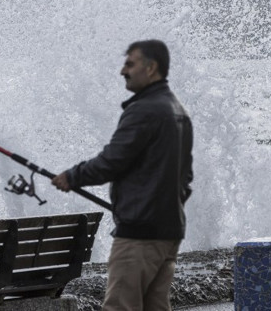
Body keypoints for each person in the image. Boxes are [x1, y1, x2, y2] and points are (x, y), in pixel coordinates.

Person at [52, 39, 194, 311]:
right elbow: (185, 178)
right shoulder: (178, 110)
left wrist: (72, 176)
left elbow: (112, 162)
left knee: (120, 306)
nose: (123, 71)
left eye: (130, 64)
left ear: (151, 68)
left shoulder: (144, 109)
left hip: (140, 234)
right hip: (168, 230)